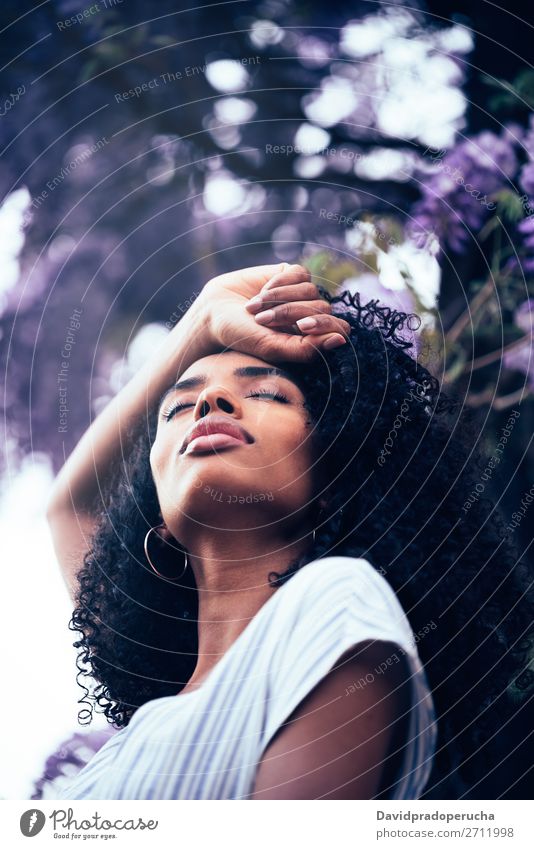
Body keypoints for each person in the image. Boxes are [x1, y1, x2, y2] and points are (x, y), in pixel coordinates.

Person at [46, 262, 532, 800]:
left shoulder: (339, 603)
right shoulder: (141, 732)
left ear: (337, 480)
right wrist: (205, 316)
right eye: (179, 407)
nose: (211, 403)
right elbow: (72, 504)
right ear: (159, 527)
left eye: (268, 395)